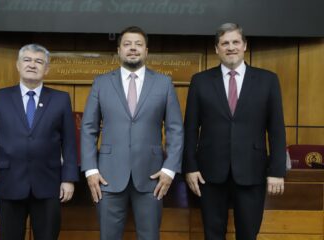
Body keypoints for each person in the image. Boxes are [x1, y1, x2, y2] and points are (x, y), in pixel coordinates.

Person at [183, 23, 286, 240]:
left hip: (252, 170)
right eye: (225, 43)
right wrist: (190, 167)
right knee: (212, 234)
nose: (231, 47)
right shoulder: (200, 81)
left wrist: (276, 171)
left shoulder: (267, 80)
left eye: (235, 42)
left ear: (245, 45)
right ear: (217, 49)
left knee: (248, 234)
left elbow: (276, 129)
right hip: (209, 174)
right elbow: (191, 128)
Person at [81, 26, 184, 240]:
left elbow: (175, 129)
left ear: (146, 51)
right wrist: (90, 170)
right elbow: (89, 128)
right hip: (107, 178)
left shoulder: (163, 83)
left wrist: (170, 169)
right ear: (118, 50)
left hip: (152, 177)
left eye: (138, 44)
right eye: (127, 44)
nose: (133, 49)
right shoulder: (101, 83)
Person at [0, 43, 79, 240]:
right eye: (27, 60)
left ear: (46, 69)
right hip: (10, 182)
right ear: (18, 65)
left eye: (39, 61)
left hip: (49, 185)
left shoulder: (60, 99)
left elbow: (69, 143)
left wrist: (68, 179)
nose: (33, 65)